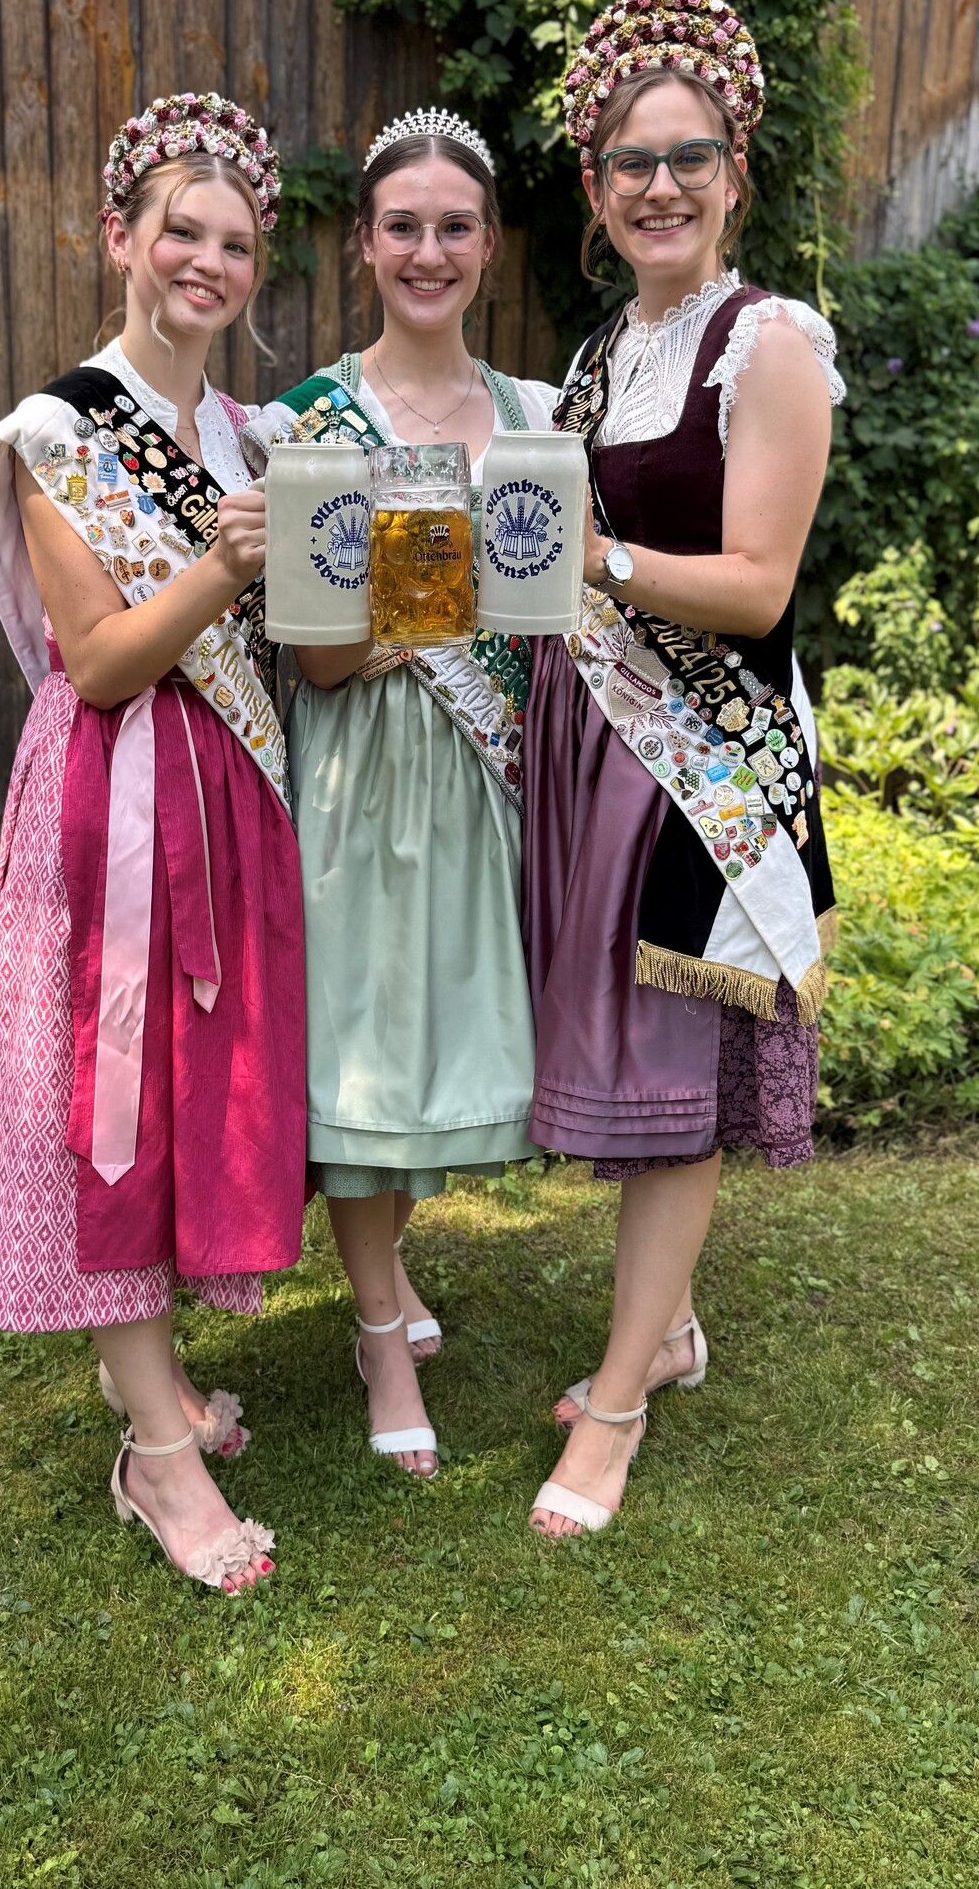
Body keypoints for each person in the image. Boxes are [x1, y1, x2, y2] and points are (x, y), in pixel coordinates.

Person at [0, 93, 304, 1594]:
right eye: (182, 230)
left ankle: (153, 1384)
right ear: (121, 236)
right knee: (111, 1089)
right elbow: (101, 662)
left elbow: (308, 637)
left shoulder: (252, 437)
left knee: (185, 1085)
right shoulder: (58, 431)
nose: (207, 262)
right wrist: (227, 566)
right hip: (115, 792)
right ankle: (158, 1454)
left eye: (235, 243)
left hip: (226, 788)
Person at [522, 0, 844, 1538]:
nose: (660, 185)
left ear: (735, 174)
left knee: (674, 1073)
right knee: (637, 1064)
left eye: (688, 157)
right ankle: (669, 1328)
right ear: (595, 189)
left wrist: (593, 559)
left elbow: (760, 586)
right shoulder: (602, 357)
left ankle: (619, 1404)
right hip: (603, 750)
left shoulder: (767, 343)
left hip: (703, 766)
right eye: (629, 161)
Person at [241, 109, 556, 1480]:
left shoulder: (538, 415)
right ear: (364, 246)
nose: (430, 251)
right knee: (363, 1048)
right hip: (361, 772)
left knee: (444, 1040)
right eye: (402, 226)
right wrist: (464, 586)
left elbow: (557, 612)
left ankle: (392, 1273)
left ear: (490, 246)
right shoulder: (306, 418)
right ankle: (378, 1331)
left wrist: (439, 585)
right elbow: (319, 654)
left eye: (455, 227)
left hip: (495, 773)